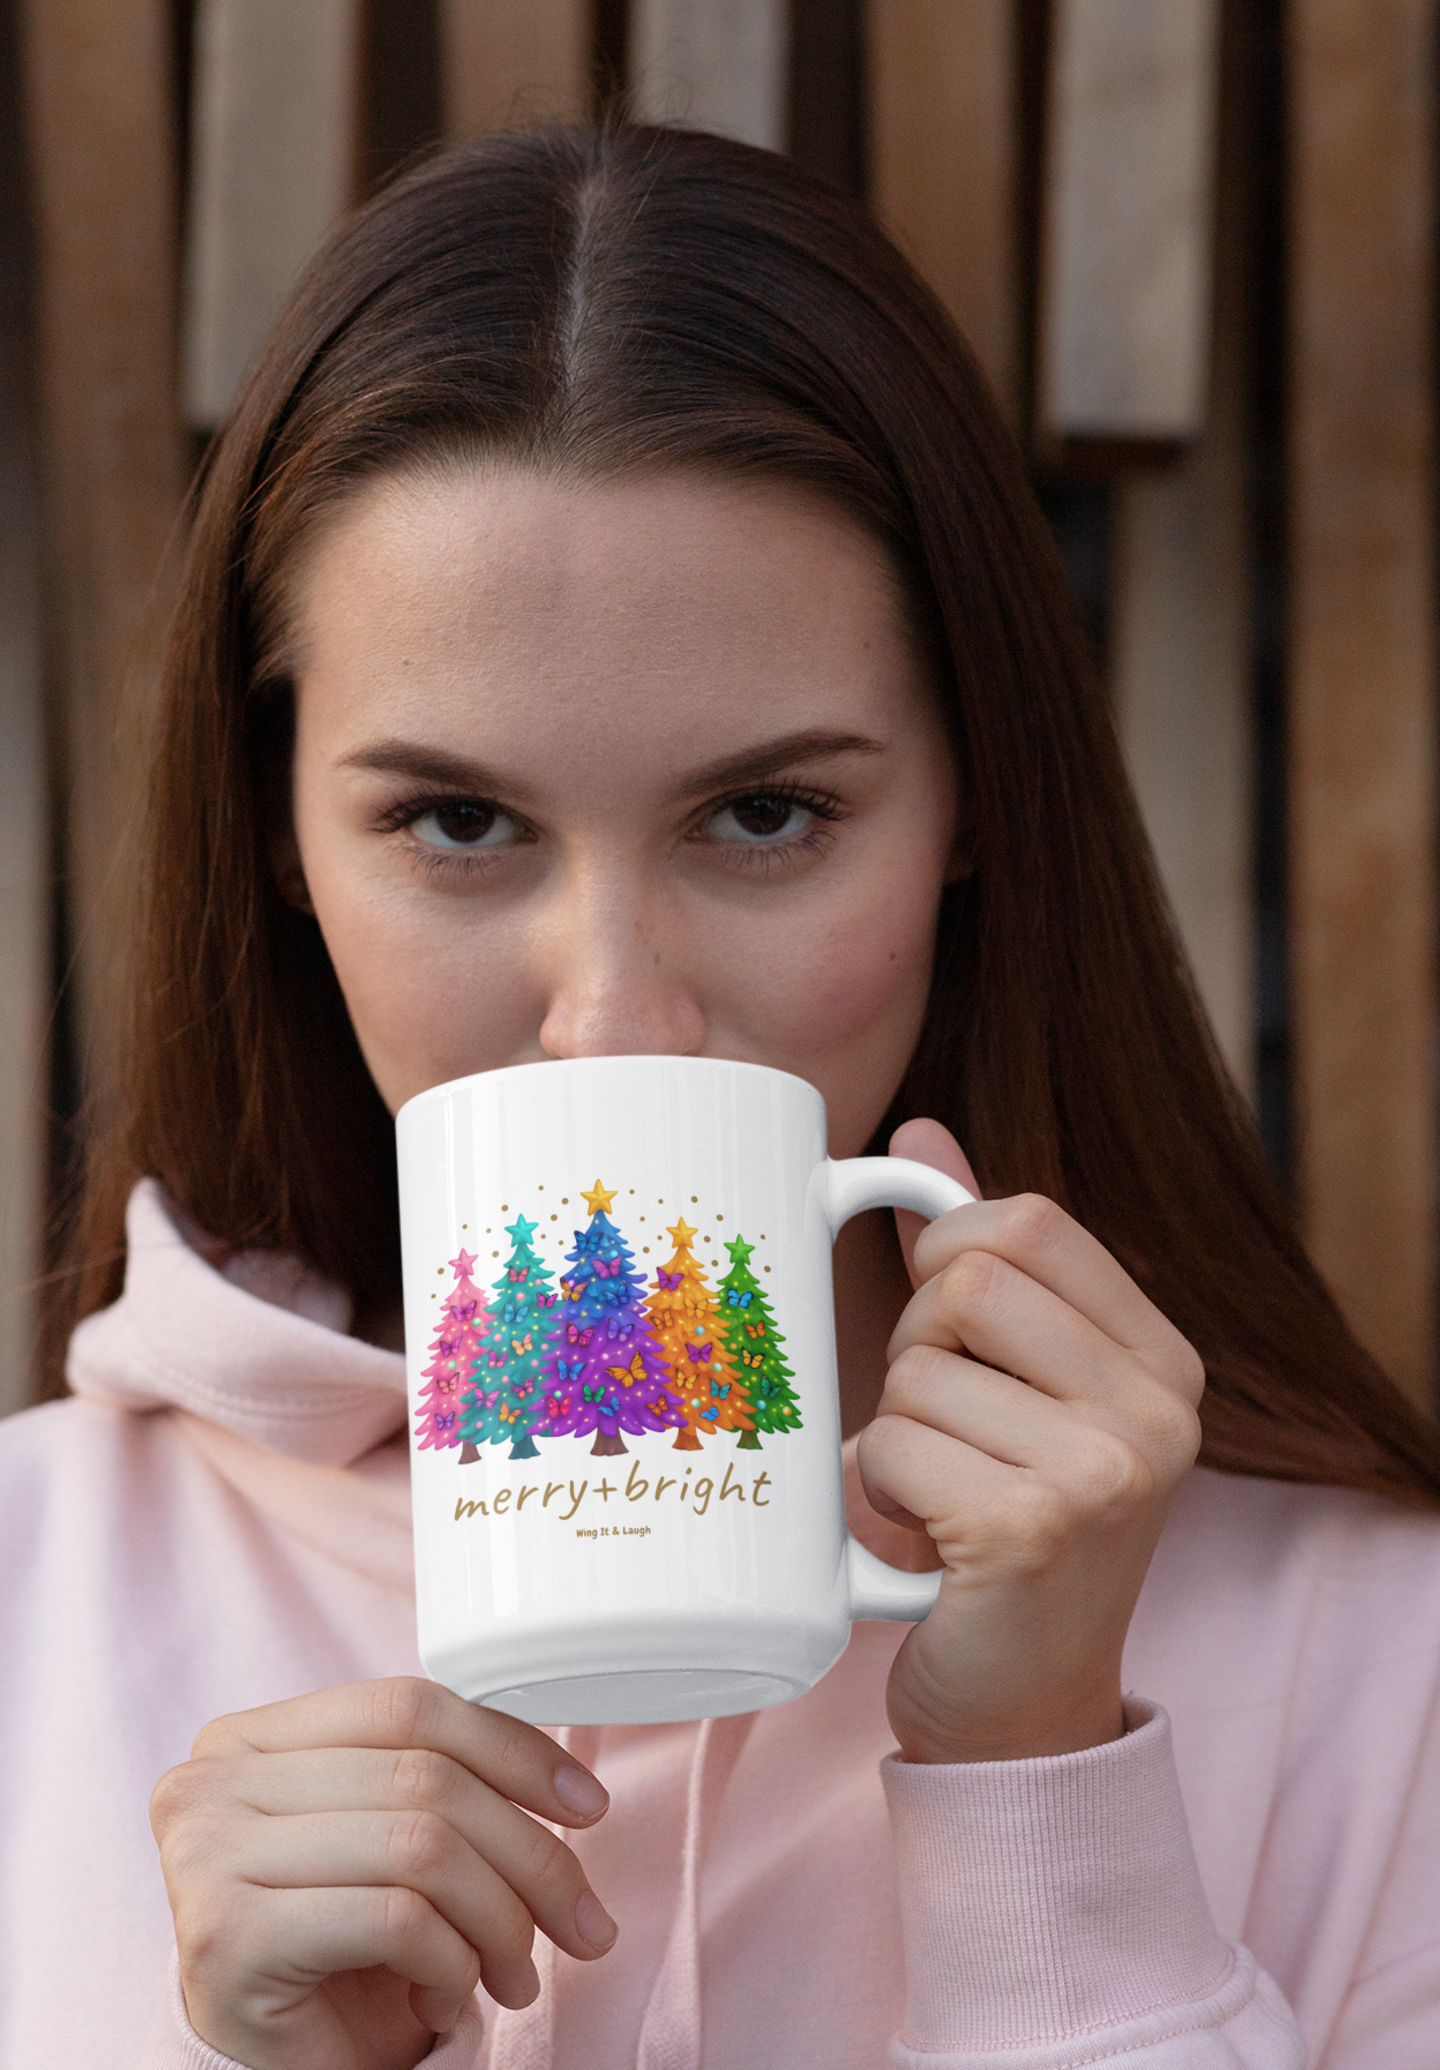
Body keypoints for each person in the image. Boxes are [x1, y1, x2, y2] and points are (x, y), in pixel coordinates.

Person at [2, 123, 1437, 2070]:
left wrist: (1047, 1799)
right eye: (455, 820)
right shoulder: (38, 1591)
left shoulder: (1378, 1657)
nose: (614, 1020)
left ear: (972, 805)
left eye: (767, 814)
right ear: (276, 831)